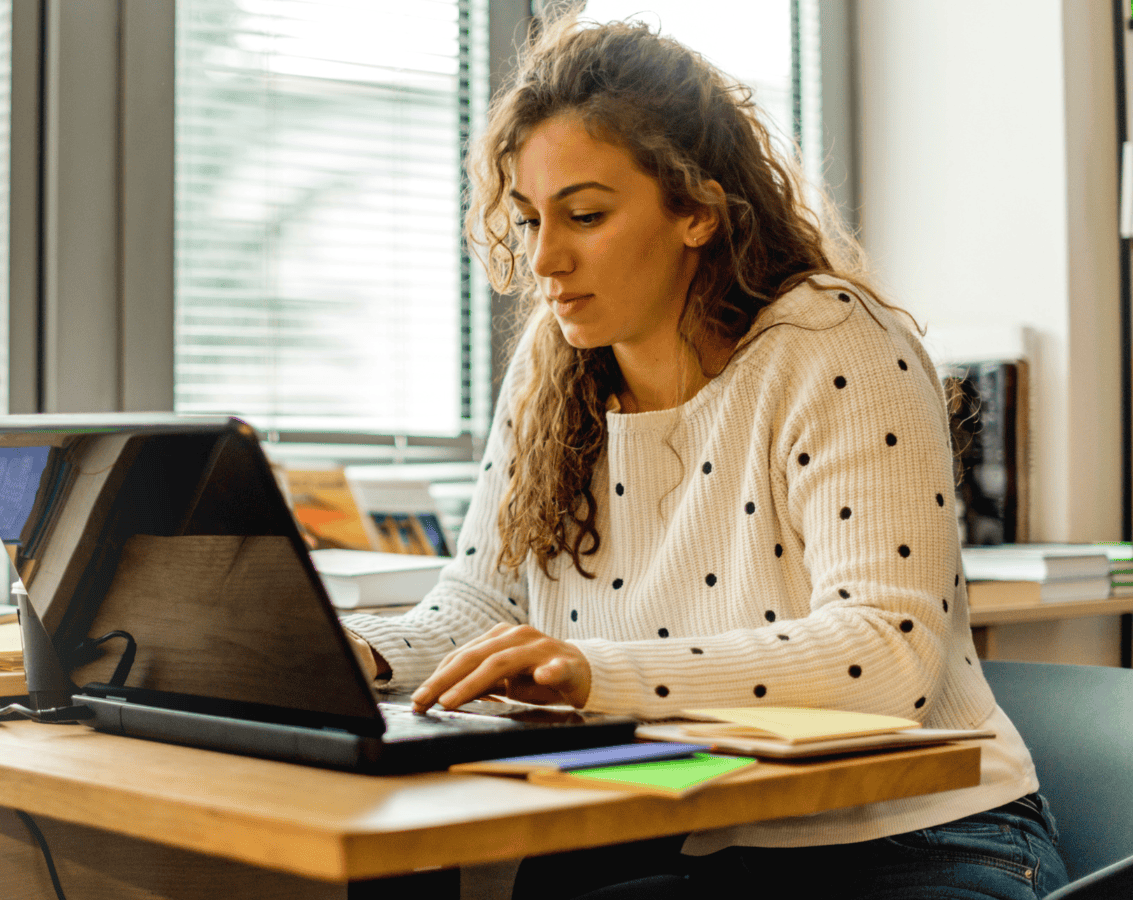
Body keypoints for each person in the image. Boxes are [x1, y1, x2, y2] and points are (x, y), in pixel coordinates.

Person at [339, 10, 1068, 899]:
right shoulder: (552, 365)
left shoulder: (835, 344)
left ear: (696, 210)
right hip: (682, 827)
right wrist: (342, 655)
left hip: (915, 837)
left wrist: (590, 674)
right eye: (528, 220)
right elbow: (476, 619)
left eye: (586, 214)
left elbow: (889, 657)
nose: (545, 258)